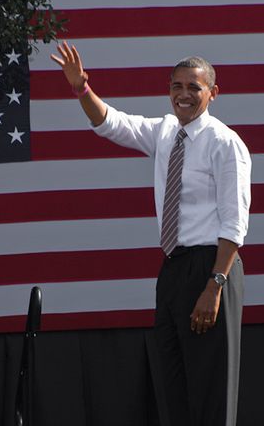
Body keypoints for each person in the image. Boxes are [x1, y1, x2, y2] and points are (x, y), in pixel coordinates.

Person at [50, 42, 251, 426]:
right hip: (174, 268)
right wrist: (81, 88)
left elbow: (234, 224)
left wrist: (215, 285)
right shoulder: (163, 133)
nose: (184, 94)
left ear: (213, 92)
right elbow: (110, 123)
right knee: (173, 381)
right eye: (177, 86)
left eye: (194, 87)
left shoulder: (225, 143)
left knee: (211, 386)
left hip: (212, 267)